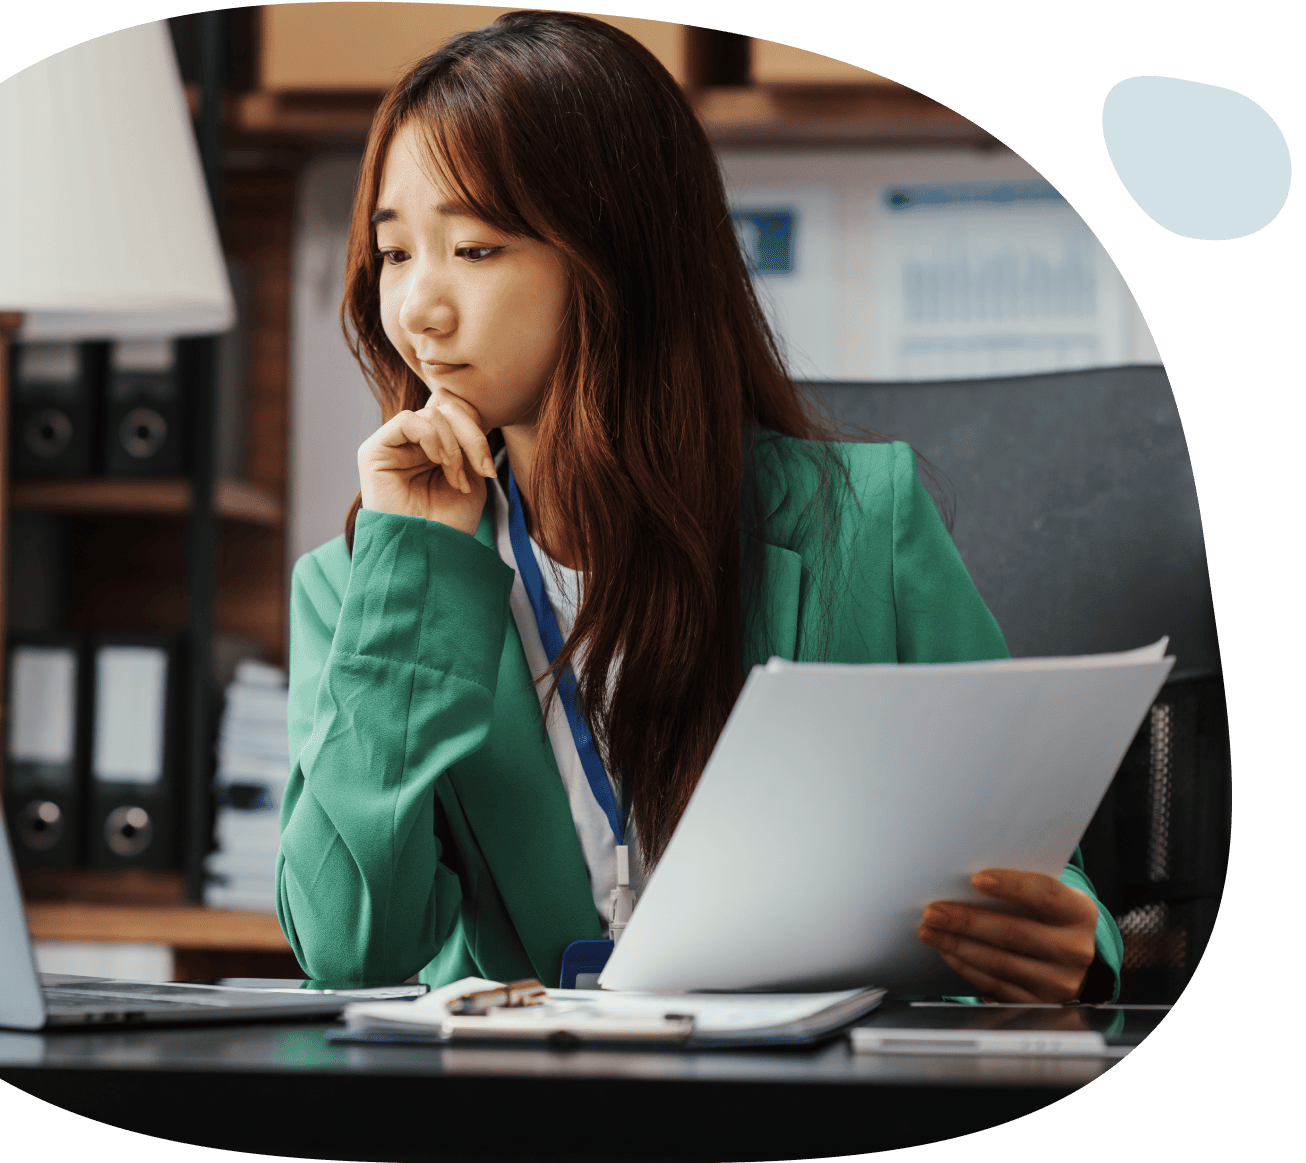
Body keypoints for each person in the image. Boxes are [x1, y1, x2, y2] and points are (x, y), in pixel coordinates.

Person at [278, 11, 1123, 1002]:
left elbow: (1031, 856)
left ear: (618, 254)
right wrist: (413, 569)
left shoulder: (858, 524)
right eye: (393, 254)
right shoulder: (359, 585)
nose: (418, 307)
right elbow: (347, 942)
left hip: (797, 1104)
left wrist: (1074, 939)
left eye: (474, 248)